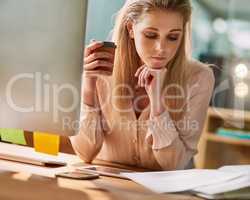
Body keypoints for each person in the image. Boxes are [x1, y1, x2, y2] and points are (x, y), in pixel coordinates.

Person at [70, 0, 215, 170]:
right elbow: (85, 152)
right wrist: (88, 87)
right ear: (131, 28)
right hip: (110, 186)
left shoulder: (198, 77)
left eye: (173, 37)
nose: (162, 48)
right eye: (151, 35)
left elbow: (173, 165)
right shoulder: (102, 68)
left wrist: (158, 104)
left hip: (165, 193)